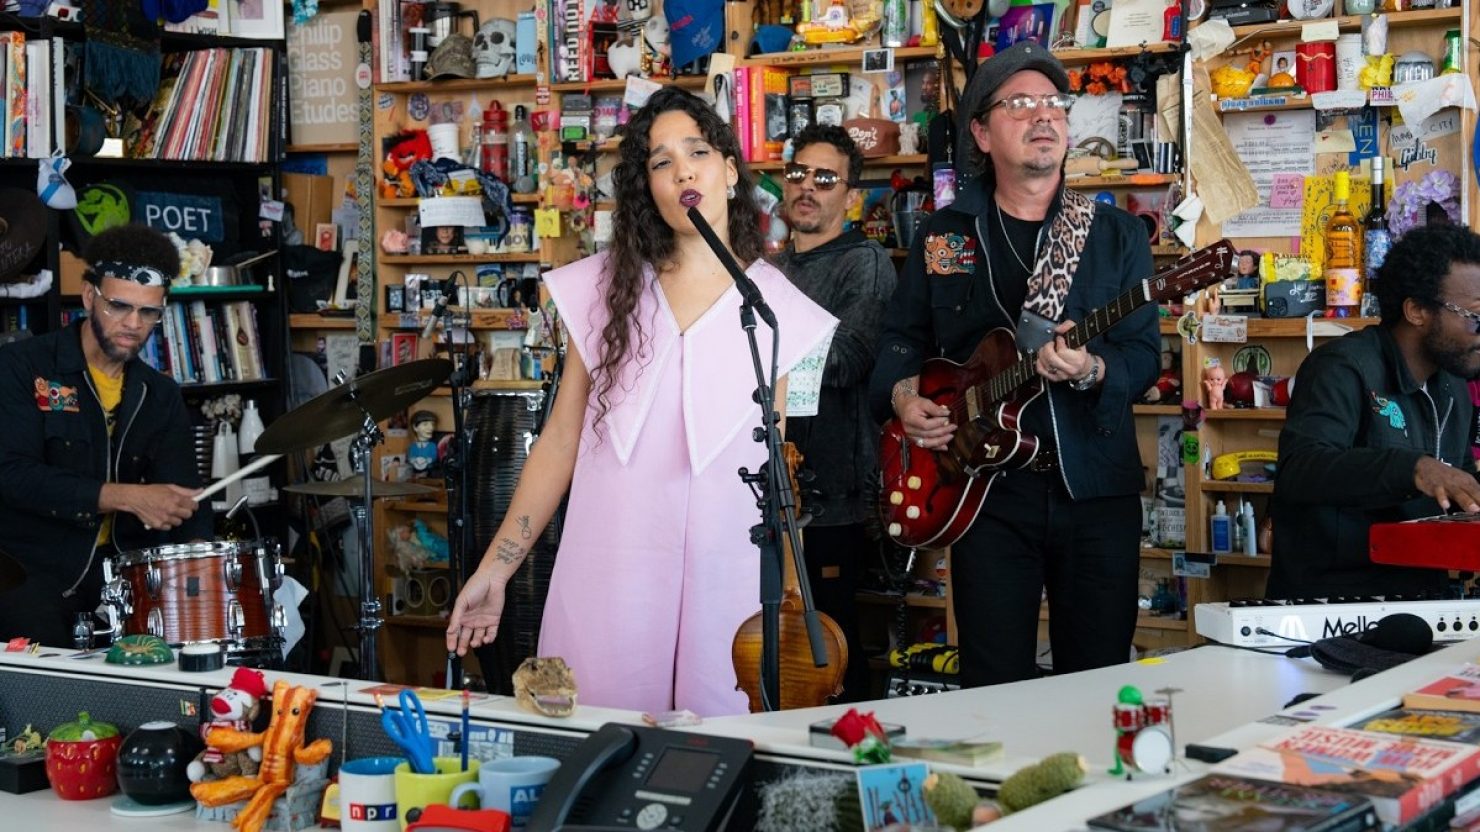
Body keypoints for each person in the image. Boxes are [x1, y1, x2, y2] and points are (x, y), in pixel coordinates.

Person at [445, 87, 837, 716]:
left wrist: (794, 612)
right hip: (611, 572)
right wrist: (497, 570)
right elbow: (560, 442)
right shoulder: (604, 290)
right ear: (649, 191)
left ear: (730, 172)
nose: (682, 169)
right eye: (660, 162)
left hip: (729, 583)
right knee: (605, 747)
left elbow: (779, 475)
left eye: (698, 151)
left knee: (721, 761)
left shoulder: (778, 310)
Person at [869, 42, 1158, 687]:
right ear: (980, 130)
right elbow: (899, 340)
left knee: (1100, 679)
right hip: (986, 493)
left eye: (1054, 103)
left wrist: (1091, 369)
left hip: (1095, 492)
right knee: (992, 679)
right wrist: (903, 400)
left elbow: (1143, 356)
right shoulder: (944, 234)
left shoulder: (1117, 235)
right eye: (1020, 104)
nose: (1044, 116)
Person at [0, 224, 211, 646]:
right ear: (89, 297)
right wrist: (128, 496)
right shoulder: (21, 367)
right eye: (119, 306)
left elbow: (186, 502)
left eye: (148, 312)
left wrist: (203, 568)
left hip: (125, 579)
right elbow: (11, 474)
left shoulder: (161, 394)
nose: (133, 324)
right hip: (29, 570)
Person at [1267, 224, 1480, 599]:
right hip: (1331, 607)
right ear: (1416, 310)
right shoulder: (1341, 367)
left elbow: (1458, 487)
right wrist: (1413, 467)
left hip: (1420, 601)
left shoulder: (1453, 387)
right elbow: (1300, 469)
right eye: (1474, 318)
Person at [774, 125, 897, 702]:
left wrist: (763, 336)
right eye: (798, 173)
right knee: (773, 650)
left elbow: (847, 360)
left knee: (832, 655)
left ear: (851, 197)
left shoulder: (864, 262)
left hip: (833, 499)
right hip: (767, 489)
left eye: (825, 179)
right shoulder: (766, 270)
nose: (807, 188)